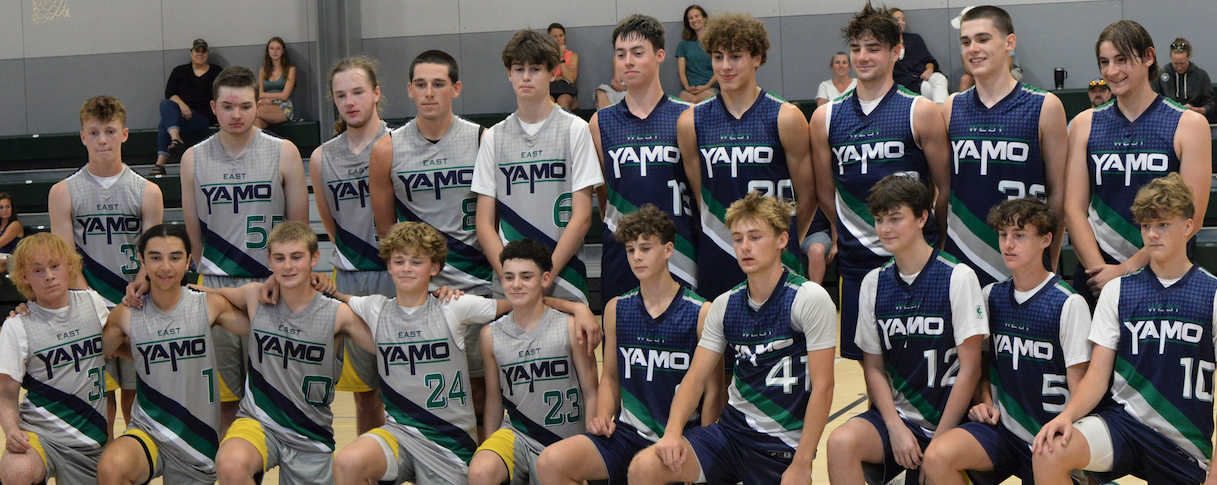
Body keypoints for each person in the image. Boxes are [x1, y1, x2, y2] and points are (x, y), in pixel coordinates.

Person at [626, 192, 836, 485]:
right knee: (644, 467)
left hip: (781, 445)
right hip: (730, 435)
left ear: (782, 240)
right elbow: (694, 379)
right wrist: (672, 433)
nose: (745, 247)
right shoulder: (725, 304)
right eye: (738, 239)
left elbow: (823, 387)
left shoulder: (809, 298)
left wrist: (802, 463)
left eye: (755, 237)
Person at [1032, 173, 1217, 485]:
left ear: (1188, 227)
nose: (1152, 234)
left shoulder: (1212, 294)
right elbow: (1096, 377)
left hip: (1182, 440)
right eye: (1146, 225)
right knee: (1049, 452)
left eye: (1163, 224)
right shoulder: (1118, 291)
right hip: (1125, 424)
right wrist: (1067, 415)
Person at [810, 0, 951, 362]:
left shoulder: (920, 111)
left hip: (915, 258)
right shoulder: (825, 117)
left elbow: (943, 187)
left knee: (920, 358)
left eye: (873, 48)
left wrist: (929, 238)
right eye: (856, 48)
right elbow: (825, 191)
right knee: (868, 360)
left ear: (896, 51)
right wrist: (854, 228)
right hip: (857, 260)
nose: (862, 57)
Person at [537, 205, 717, 485]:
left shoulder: (701, 312)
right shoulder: (616, 309)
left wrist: (703, 453)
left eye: (645, 248)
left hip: (679, 439)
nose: (636, 257)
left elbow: (713, 390)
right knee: (551, 462)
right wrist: (602, 416)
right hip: (627, 435)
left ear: (668, 250)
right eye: (630, 250)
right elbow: (610, 376)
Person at [825, 174, 987, 484]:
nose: (885, 228)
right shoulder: (873, 283)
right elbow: (873, 367)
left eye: (895, 219)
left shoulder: (958, 277)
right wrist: (895, 428)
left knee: (939, 460)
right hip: (900, 419)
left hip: (953, 421)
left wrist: (939, 441)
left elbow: (971, 369)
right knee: (840, 443)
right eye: (879, 220)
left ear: (922, 218)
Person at [176, 65, 312, 436]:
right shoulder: (192, 158)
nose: (236, 114)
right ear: (213, 107)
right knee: (224, 400)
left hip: (272, 288)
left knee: (279, 396)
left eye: (245, 106)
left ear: (258, 105)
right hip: (216, 288)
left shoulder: (283, 152)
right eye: (228, 106)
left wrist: (281, 279)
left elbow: (299, 231)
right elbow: (194, 235)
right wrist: (211, 272)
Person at [920, 198, 1092, 484]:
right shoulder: (991, 296)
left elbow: (1081, 388)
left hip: (1048, 436)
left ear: (1046, 240)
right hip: (1003, 433)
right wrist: (984, 400)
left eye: (1019, 235)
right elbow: (981, 367)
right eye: (1003, 235)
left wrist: (1073, 450)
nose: (1008, 244)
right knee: (937, 456)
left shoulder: (1069, 303)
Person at [329, 221, 507, 485]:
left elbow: (516, 304)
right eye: (399, 261)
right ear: (389, 266)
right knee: (347, 463)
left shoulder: (454, 306)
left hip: (448, 442)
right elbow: (332, 296)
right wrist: (319, 281)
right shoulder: (375, 308)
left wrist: (569, 307)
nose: (406, 268)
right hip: (399, 433)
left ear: (434, 268)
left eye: (416, 262)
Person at [205, 222, 374, 485]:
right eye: (280, 258)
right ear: (269, 260)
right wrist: (154, 286)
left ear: (314, 259)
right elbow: (207, 294)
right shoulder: (255, 297)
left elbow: (389, 346)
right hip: (259, 421)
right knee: (230, 464)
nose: (287, 266)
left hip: (310, 432)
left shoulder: (337, 313)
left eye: (296, 257)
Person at [1064, 20, 1211, 309]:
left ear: (1148, 57)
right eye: (1104, 62)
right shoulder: (1084, 124)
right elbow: (1073, 209)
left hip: (1166, 273)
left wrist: (1125, 270)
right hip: (1097, 275)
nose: (1111, 71)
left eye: (1121, 59)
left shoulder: (1189, 124)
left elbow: (1193, 217)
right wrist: (1100, 273)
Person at [95, 224, 251, 485]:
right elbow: (93, 350)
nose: (165, 267)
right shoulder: (126, 313)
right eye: (155, 257)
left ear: (188, 261)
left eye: (175, 257)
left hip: (196, 438)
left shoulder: (209, 304)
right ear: (142, 261)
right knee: (112, 467)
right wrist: (28, 310)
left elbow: (261, 327)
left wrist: (218, 291)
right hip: (148, 429)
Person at [49, 95, 164, 435]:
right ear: (82, 137)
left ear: (124, 134)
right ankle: (104, 458)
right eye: (94, 132)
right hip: (86, 305)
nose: (103, 140)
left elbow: (153, 254)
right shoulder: (63, 192)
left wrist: (136, 293)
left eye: (110, 131)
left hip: (137, 304)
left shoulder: (148, 191)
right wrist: (98, 311)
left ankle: (135, 456)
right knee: (100, 396)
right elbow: (65, 259)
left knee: (135, 395)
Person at [680, 12, 815, 300]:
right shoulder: (691, 121)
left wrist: (783, 241)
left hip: (776, 255)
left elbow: (807, 197)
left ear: (757, 58)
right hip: (718, 251)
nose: (725, 66)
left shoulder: (786, 117)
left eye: (735, 56)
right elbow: (701, 196)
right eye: (718, 57)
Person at [472, 29, 603, 305]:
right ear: (509, 73)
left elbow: (582, 217)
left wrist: (545, 276)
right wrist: (512, 279)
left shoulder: (575, 130)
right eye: (519, 69)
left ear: (553, 72)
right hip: (510, 284)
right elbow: (483, 223)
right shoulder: (493, 137)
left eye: (535, 69)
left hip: (565, 277)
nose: (526, 77)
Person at [942, 5, 1068, 288]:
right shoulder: (951, 107)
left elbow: (1059, 192)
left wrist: (1051, 257)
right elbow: (943, 189)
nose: (973, 49)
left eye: (983, 39)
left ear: (1009, 42)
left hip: (1025, 259)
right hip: (962, 255)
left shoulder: (1045, 106)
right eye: (966, 42)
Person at [305, 55, 393, 437]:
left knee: (407, 388)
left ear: (376, 93)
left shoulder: (398, 144)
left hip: (399, 278)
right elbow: (330, 224)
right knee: (365, 396)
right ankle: (371, 465)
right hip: (352, 279)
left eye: (358, 92)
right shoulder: (322, 157)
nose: (350, 101)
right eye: (341, 95)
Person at [466, 239, 600, 485]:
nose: (516, 284)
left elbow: (592, 392)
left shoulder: (570, 327)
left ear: (545, 279)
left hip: (564, 440)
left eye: (526, 277)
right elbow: (494, 400)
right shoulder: (490, 335)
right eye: (509, 277)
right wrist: (488, 447)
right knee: (480, 472)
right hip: (517, 435)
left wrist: (590, 446)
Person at [592, 15, 698, 300]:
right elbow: (604, 195)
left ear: (660, 55)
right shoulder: (600, 122)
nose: (628, 62)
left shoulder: (687, 116)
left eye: (638, 53)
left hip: (678, 249)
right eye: (621, 54)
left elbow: (700, 192)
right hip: (622, 250)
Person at [0, 233, 111, 485]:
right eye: (38, 270)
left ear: (69, 265)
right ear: (24, 277)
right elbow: (6, 392)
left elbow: (120, 346)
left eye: (54, 266)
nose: (49, 276)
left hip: (91, 439)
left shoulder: (93, 303)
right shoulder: (17, 325)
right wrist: (11, 430)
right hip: (42, 435)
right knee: (18, 470)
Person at [152, 39, 222, 176]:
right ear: (191, 53)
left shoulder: (216, 71)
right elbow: (170, 94)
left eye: (203, 51)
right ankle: (175, 138)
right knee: (165, 104)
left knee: (164, 123)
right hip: (181, 114)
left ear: (207, 54)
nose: (200, 54)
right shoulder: (180, 71)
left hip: (203, 116)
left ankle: (160, 163)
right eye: (197, 51)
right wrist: (183, 105)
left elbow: (221, 93)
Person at [890, 8, 949, 104]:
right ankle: (944, 112)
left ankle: (942, 112)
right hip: (909, 83)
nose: (901, 22)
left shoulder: (914, 39)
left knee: (940, 79)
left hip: (924, 75)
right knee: (933, 90)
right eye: (897, 19)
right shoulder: (886, 44)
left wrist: (929, 70)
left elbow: (928, 59)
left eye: (903, 19)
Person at [1151, 37, 1216, 122]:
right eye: (1175, 63)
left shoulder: (1201, 76)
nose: (1179, 67)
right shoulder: (1160, 76)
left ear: (1189, 56)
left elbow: (1210, 105)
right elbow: (1152, 103)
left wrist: (1195, 110)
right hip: (1166, 121)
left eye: (1182, 63)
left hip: (1194, 121)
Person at [676, 5, 717, 103]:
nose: (694, 20)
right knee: (683, 101)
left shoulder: (715, 42)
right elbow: (682, 71)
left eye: (697, 16)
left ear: (705, 18)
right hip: (690, 89)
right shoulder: (683, 44)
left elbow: (719, 69)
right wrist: (687, 87)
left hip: (711, 86)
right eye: (691, 18)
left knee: (698, 100)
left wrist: (706, 86)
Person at [254, 37, 297, 129]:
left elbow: (284, 96)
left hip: (283, 105)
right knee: (256, 121)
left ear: (283, 51)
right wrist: (264, 99)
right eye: (272, 48)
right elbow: (260, 93)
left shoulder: (290, 69)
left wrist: (266, 96)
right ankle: (258, 139)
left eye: (278, 48)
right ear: (268, 51)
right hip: (266, 103)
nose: (274, 51)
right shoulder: (263, 70)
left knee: (253, 112)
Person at [547, 23, 580, 111]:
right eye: (555, 36)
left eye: (561, 35)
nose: (558, 39)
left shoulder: (573, 56)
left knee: (563, 100)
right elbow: (545, 77)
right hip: (549, 90)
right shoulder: (545, 56)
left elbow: (571, 79)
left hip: (566, 91)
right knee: (549, 101)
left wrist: (561, 58)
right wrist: (561, 77)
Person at [0, 193, 25, 273]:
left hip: (12, 259)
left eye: (7, 207)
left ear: (12, 208)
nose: (4, 210)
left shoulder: (15, 225)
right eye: (1, 207)